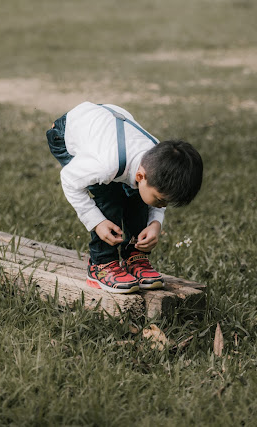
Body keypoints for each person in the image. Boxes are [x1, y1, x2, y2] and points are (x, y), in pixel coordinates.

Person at [46, 102, 202, 294]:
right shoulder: (105, 165)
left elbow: (154, 193)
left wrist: (155, 223)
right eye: (161, 200)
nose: (162, 205)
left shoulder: (156, 162)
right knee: (109, 194)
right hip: (66, 133)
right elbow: (69, 179)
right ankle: (101, 264)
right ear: (140, 176)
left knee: (139, 195)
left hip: (107, 130)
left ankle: (134, 256)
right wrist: (97, 222)